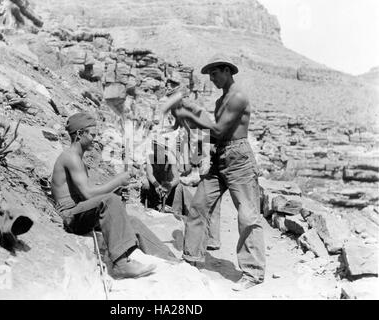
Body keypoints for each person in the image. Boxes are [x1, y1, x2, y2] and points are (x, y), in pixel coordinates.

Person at [173, 53, 265, 291]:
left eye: (214, 74)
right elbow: (213, 135)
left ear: (226, 71)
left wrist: (190, 116)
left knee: (247, 215)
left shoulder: (238, 97)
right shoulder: (219, 101)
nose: (211, 79)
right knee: (199, 206)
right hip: (220, 157)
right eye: (210, 75)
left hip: (239, 159)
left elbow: (220, 129)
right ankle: (191, 260)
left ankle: (253, 273)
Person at [51, 112, 176, 280]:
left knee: (132, 221)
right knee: (110, 200)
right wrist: (117, 181)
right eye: (92, 135)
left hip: (80, 211)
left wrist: (115, 186)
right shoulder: (71, 157)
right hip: (70, 216)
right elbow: (88, 194)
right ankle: (121, 264)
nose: (95, 139)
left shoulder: (77, 157)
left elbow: (86, 195)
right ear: (80, 134)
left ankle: (168, 258)